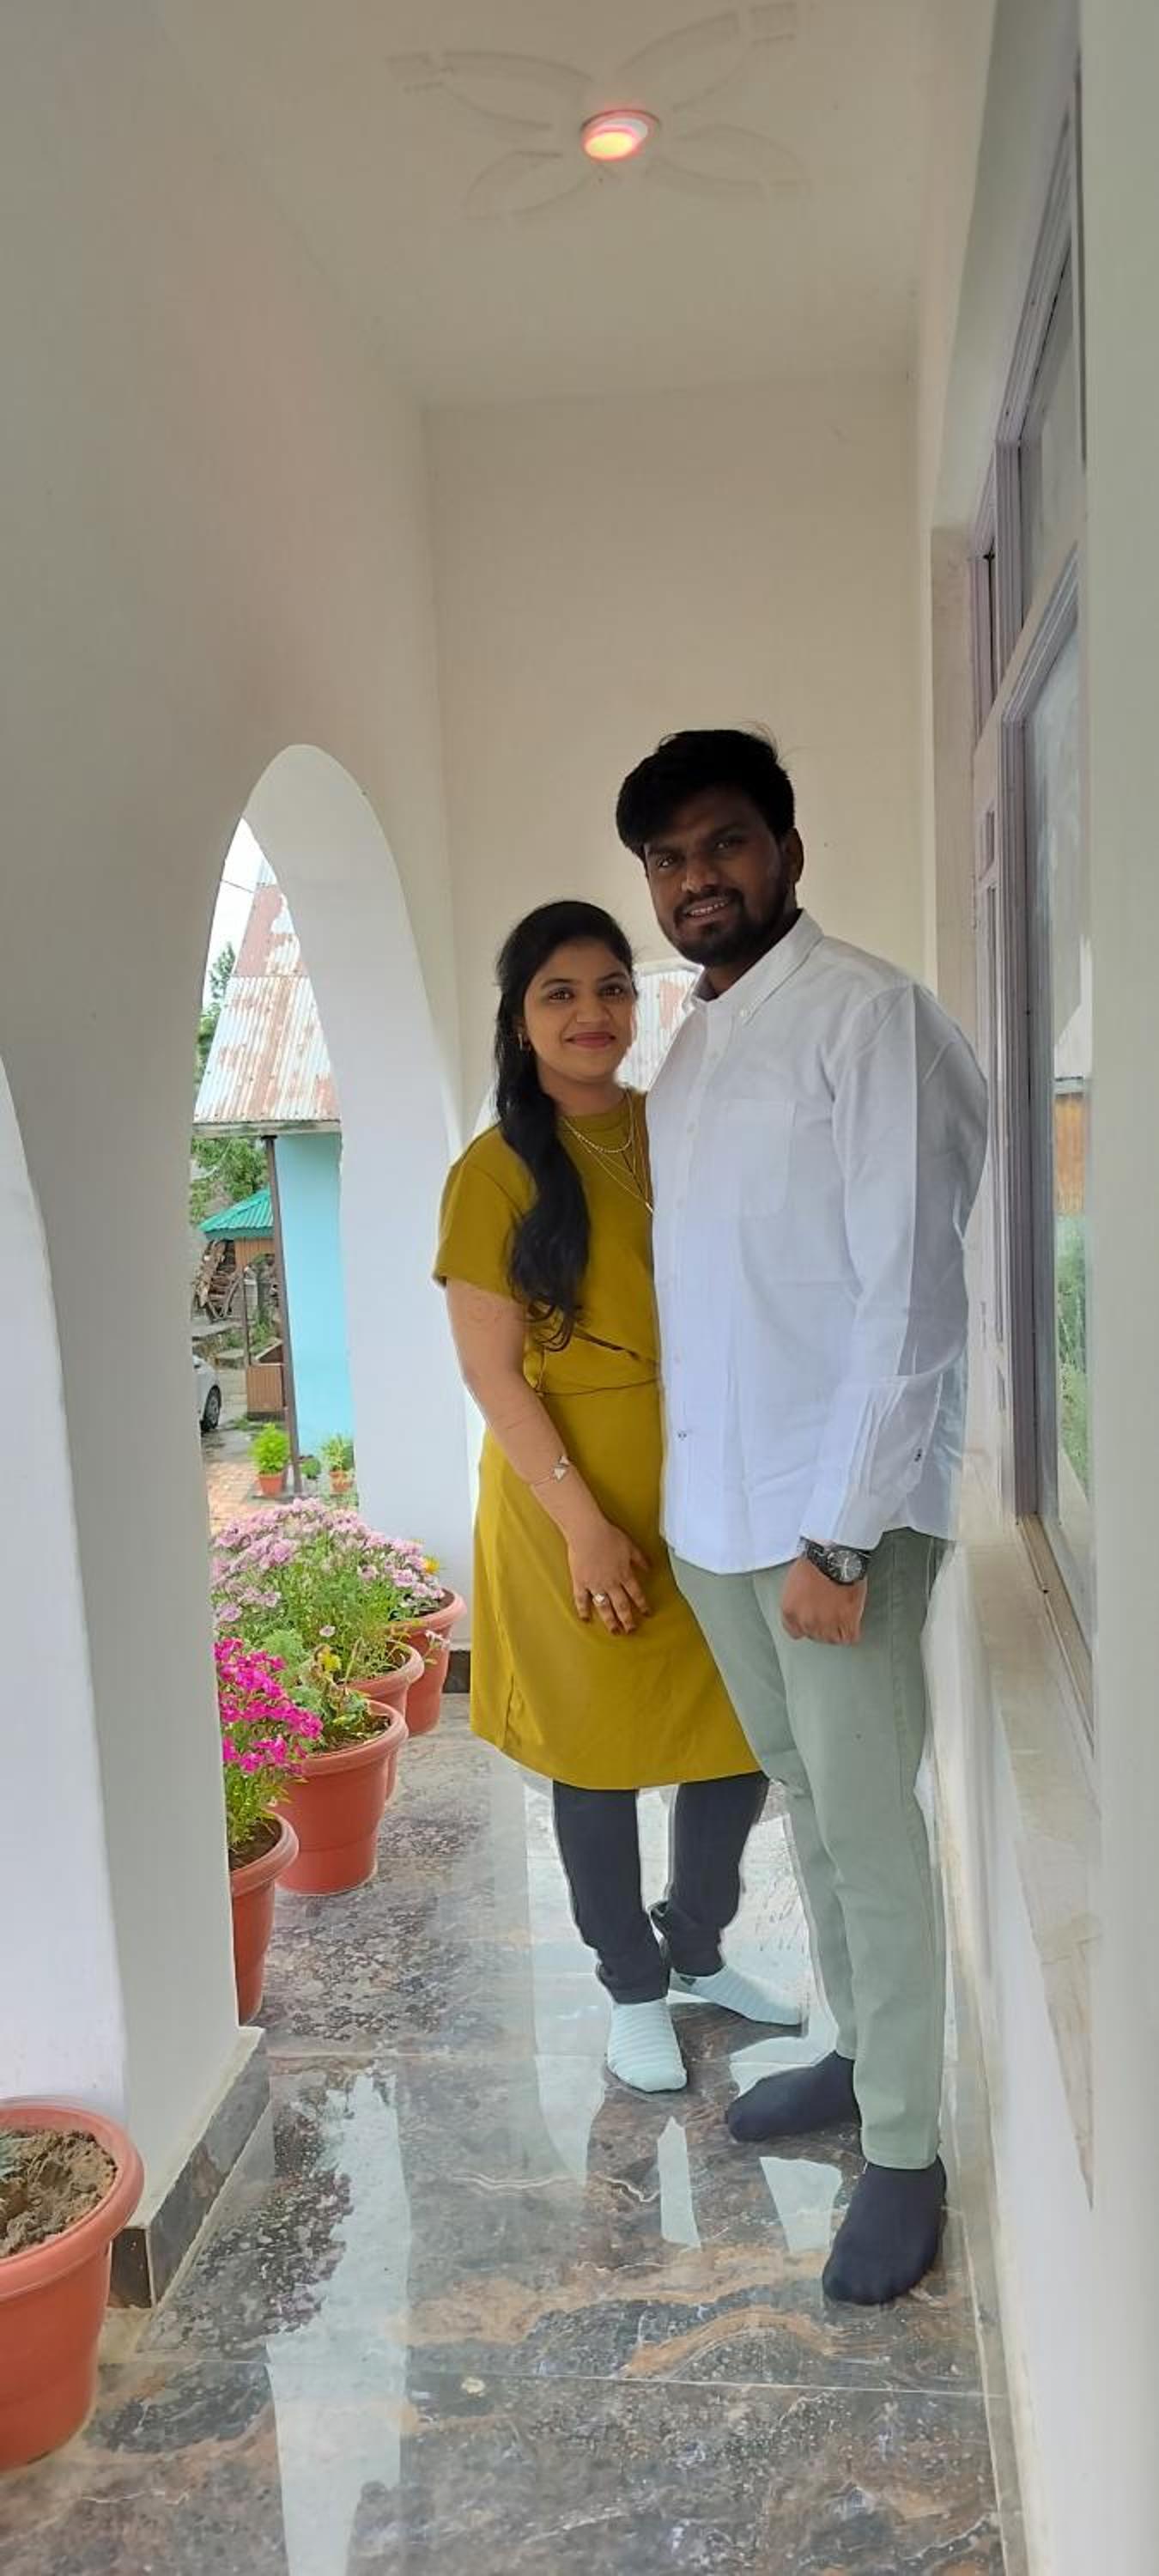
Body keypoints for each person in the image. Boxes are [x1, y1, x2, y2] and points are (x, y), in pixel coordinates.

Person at [616, 730, 987, 2303]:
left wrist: (841, 1537)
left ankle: (904, 2146)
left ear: (786, 850)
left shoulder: (868, 1016)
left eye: (723, 843)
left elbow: (911, 1295)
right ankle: (852, 2054)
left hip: (832, 1520)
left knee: (870, 1829)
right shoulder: (692, 1047)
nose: (695, 879)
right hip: (718, 1515)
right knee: (812, 1813)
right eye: (666, 859)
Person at [434, 899, 799, 2095]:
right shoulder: (492, 1174)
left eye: (609, 988)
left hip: (704, 1485)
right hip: (568, 1503)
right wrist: (585, 1528)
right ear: (519, 1020)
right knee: (594, 1759)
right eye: (559, 992)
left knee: (737, 1734)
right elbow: (491, 1372)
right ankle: (631, 1986)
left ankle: (694, 1941)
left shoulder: (672, 1126)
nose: (590, 1013)